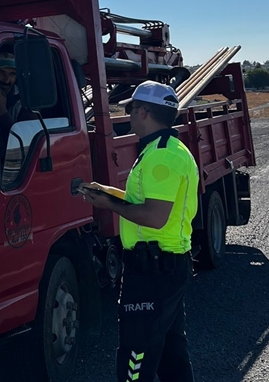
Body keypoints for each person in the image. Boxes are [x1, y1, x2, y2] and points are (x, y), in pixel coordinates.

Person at [79, 80, 198, 382]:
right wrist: (106, 192)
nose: (128, 115)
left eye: (130, 109)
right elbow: (141, 202)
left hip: (154, 272)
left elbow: (155, 217)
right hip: (163, 267)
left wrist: (108, 205)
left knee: (136, 353)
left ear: (144, 111)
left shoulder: (162, 157)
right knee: (172, 355)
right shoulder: (163, 149)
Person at [0, 52, 36, 160]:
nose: (7, 80)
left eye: (12, 74)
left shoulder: (24, 103)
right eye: (1, 72)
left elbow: (22, 146)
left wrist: (1, 111)